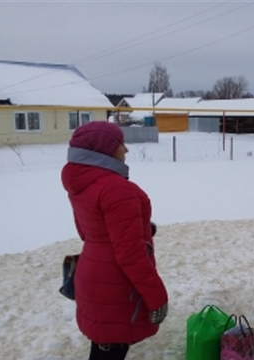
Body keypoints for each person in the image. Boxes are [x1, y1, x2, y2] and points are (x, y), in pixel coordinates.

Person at [61, 121, 169, 360]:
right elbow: (130, 255)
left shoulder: (81, 183)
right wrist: (157, 297)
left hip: (92, 273)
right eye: (121, 143)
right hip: (115, 282)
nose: (126, 150)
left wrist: (140, 227)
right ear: (104, 149)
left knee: (104, 346)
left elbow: (87, 231)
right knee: (110, 349)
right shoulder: (116, 189)